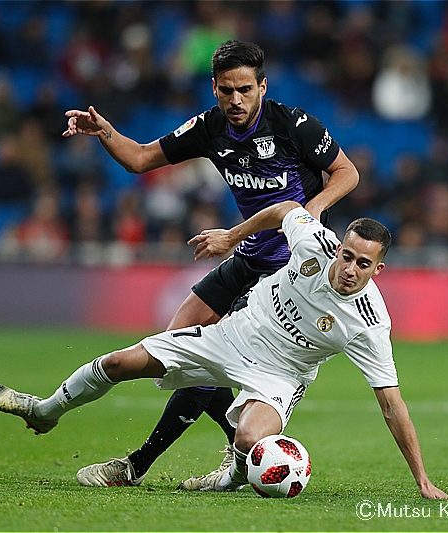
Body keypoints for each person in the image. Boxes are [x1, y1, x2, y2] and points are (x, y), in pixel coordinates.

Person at [0, 200, 448, 499]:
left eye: (363, 263)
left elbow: (392, 405)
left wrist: (422, 481)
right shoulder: (315, 243)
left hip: (280, 376)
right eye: (347, 256)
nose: (349, 268)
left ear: (378, 269)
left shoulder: (369, 323)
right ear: (340, 247)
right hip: (232, 335)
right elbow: (284, 208)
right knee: (118, 363)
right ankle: (44, 411)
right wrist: (233, 236)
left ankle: (227, 476)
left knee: (251, 440)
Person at [61, 40, 359, 489]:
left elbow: (347, 172)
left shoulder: (294, 125)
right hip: (247, 258)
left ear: (262, 85)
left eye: (244, 89)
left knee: (199, 361)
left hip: (287, 275)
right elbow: (140, 159)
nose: (235, 100)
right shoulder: (210, 127)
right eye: (225, 91)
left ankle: (137, 465)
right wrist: (104, 132)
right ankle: (244, 451)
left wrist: (310, 211)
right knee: (174, 347)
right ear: (214, 88)